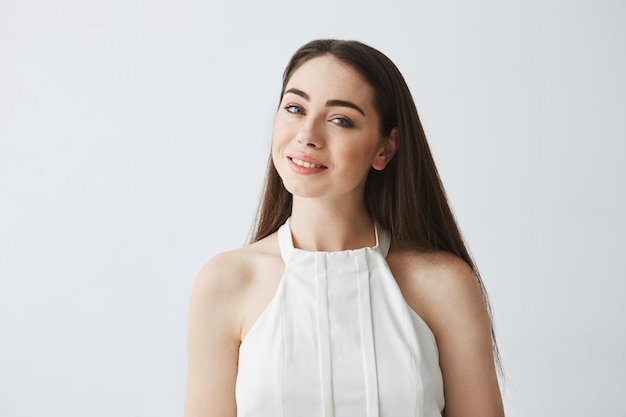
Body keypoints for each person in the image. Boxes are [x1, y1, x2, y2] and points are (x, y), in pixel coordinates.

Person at [184, 39, 504, 417]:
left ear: (385, 148)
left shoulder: (444, 284)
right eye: (295, 108)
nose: (307, 135)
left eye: (340, 120)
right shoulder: (226, 282)